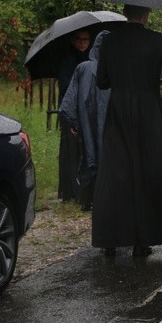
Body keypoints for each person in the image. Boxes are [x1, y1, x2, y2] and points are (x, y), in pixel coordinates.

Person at [93, 5, 162, 257]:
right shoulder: (157, 40)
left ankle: (109, 240)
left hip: (119, 114)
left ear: (124, 12)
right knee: (151, 171)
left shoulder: (110, 42)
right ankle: (142, 241)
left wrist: (123, 79)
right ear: (146, 14)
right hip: (149, 113)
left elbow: (102, 82)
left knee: (116, 173)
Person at [58, 30, 111, 211]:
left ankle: (86, 199)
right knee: (102, 154)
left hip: (87, 123)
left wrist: (73, 122)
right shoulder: (113, 69)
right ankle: (102, 197)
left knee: (88, 154)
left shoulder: (83, 68)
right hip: (103, 123)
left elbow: (69, 102)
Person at [57, 28, 91, 203]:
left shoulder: (91, 58)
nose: (82, 42)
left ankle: (83, 188)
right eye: (79, 39)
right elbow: (64, 85)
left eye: (85, 39)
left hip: (86, 110)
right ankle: (71, 191)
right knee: (71, 151)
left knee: (85, 149)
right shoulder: (68, 59)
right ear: (73, 40)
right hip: (71, 111)